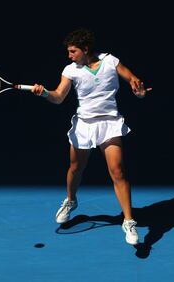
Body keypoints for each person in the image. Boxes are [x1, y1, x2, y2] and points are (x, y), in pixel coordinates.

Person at [30, 28, 151, 245]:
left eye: (73, 51)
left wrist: (139, 92)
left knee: (118, 171)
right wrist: (45, 93)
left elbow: (134, 81)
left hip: (109, 123)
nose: (69, 56)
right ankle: (71, 200)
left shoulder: (110, 61)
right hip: (84, 125)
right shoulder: (70, 70)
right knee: (76, 168)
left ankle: (129, 220)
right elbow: (58, 97)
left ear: (85, 49)